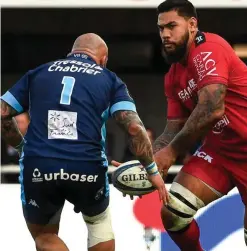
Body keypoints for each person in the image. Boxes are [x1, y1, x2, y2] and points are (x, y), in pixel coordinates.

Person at [136, 1, 247, 250]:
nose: (165, 34)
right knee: (172, 213)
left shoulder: (209, 48)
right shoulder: (173, 76)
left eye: (172, 26)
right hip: (220, 152)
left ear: (192, 25)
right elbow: (172, 129)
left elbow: (212, 109)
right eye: (161, 28)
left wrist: (171, 152)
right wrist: (149, 164)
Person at [0, 33, 168, 251]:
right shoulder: (109, 79)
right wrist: (152, 170)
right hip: (87, 165)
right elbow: (135, 128)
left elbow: (3, 112)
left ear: (71, 53)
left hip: (41, 164)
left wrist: (23, 147)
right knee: (98, 224)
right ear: (103, 59)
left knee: (44, 235)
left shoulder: (39, 72)